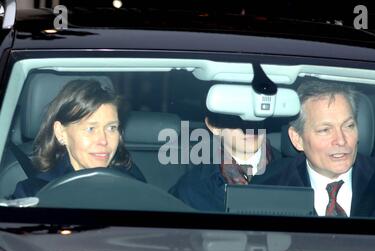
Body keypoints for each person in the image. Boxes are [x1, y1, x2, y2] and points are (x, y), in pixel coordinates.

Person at [253, 80, 375, 219]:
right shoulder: (268, 188)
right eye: (325, 130)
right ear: (297, 139)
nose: (341, 140)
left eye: (349, 126)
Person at [12, 79, 146, 198]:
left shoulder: (132, 183)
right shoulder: (33, 194)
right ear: (60, 133)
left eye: (111, 128)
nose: (103, 140)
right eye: (90, 129)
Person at [170, 112, 278, 212]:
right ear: (214, 126)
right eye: (236, 114)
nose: (249, 124)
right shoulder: (192, 190)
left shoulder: (292, 171)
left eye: (255, 113)